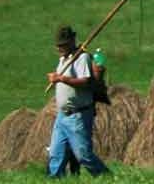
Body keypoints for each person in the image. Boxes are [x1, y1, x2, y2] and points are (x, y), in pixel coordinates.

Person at [45, 25, 108, 177]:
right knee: (55, 153)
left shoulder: (82, 58)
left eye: (64, 45)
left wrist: (61, 79)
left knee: (83, 155)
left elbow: (85, 82)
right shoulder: (63, 60)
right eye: (59, 45)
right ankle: (54, 179)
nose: (60, 48)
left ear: (72, 41)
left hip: (77, 115)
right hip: (62, 116)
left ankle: (106, 177)